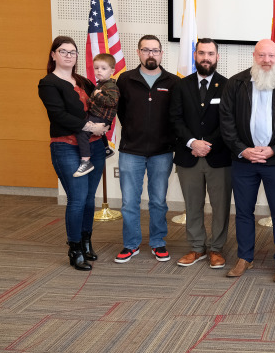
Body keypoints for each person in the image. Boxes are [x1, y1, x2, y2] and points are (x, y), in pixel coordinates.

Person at [219, 39, 275, 282]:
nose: (266, 60)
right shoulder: (235, 84)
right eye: (261, 55)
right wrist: (243, 150)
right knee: (243, 212)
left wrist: (273, 150)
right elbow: (226, 122)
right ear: (254, 56)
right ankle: (244, 257)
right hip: (243, 161)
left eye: (271, 56)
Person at [38, 36, 108, 270]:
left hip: (95, 147)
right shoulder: (48, 83)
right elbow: (59, 115)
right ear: (53, 54)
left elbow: (101, 107)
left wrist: (105, 124)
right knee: (77, 199)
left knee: (89, 199)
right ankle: (75, 248)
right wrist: (90, 126)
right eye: (63, 51)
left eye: (72, 52)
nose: (69, 55)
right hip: (66, 147)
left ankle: (87, 241)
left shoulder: (84, 81)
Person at [114, 35, 180, 263]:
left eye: (155, 50)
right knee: (129, 202)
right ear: (138, 52)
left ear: (161, 53)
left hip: (162, 151)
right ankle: (131, 244)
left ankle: (158, 242)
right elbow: (121, 113)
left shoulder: (173, 82)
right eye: (146, 50)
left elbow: (176, 115)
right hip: (131, 150)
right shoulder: (125, 80)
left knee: (158, 201)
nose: (150, 54)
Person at [170, 38, 232, 269]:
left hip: (219, 157)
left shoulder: (228, 86)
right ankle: (197, 247)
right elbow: (175, 119)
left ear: (218, 57)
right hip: (188, 156)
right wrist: (192, 142)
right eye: (202, 53)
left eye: (210, 54)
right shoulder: (181, 85)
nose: (206, 58)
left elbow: (229, 122)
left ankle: (216, 248)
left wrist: (208, 144)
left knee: (220, 206)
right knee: (192, 204)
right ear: (195, 56)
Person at [73, 53, 120, 177]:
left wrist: (98, 95)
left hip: (102, 116)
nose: (99, 71)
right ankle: (106, 149)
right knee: (92, 127)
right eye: (96, 68)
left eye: (103, 68)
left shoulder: (111, 86)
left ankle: (85, 161)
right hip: (98, 114)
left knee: (82, 132)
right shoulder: (101, 84)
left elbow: (112, 102)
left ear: (112, 71)